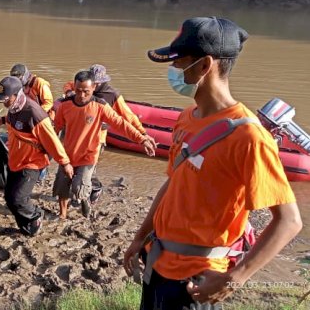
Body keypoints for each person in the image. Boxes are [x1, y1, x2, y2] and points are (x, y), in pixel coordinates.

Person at [122, 17, 302, 309]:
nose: (173, 70)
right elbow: (173, 184)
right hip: (157, 264)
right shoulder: (186, 119)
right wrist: (140, 237)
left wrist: (235, 278)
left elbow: (289, 221)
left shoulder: (248, 137)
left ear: (205, 66)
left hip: (195, 282)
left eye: (180, 62)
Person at [52, 71, 156, 219]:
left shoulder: (100, 106)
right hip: (68, 154)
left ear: (94, 87)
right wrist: (50, 151)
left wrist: (142, 138)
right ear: (73, 87)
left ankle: (84, 200)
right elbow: (55, 129)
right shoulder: (64, 105)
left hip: (88, 155)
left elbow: (120, 123)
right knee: (62, 186)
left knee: (79, 187)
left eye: (86, 92)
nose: (82, 95)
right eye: (78, 91)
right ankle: (62, 215)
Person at [0, 76, 73, 236]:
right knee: (9, 197)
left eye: (6, 99)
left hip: (32, 163)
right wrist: (1, 120)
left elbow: (53, 141)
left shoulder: (35, 114)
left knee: (19, 199)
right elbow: (12, 119)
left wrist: (65, 163)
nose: (4, 103)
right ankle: (25, 227)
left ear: (17, 94)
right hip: (16, 159)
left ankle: (35, 216)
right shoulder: (14, 108)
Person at [56, 64, 148, 144]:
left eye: (96, 83)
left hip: (97, 135)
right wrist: (68, 92)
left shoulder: (112, 95)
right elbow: (68, 85)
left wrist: (142, 133)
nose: (94, 86)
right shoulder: (84, 85)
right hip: (75, 128)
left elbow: (128, 116)